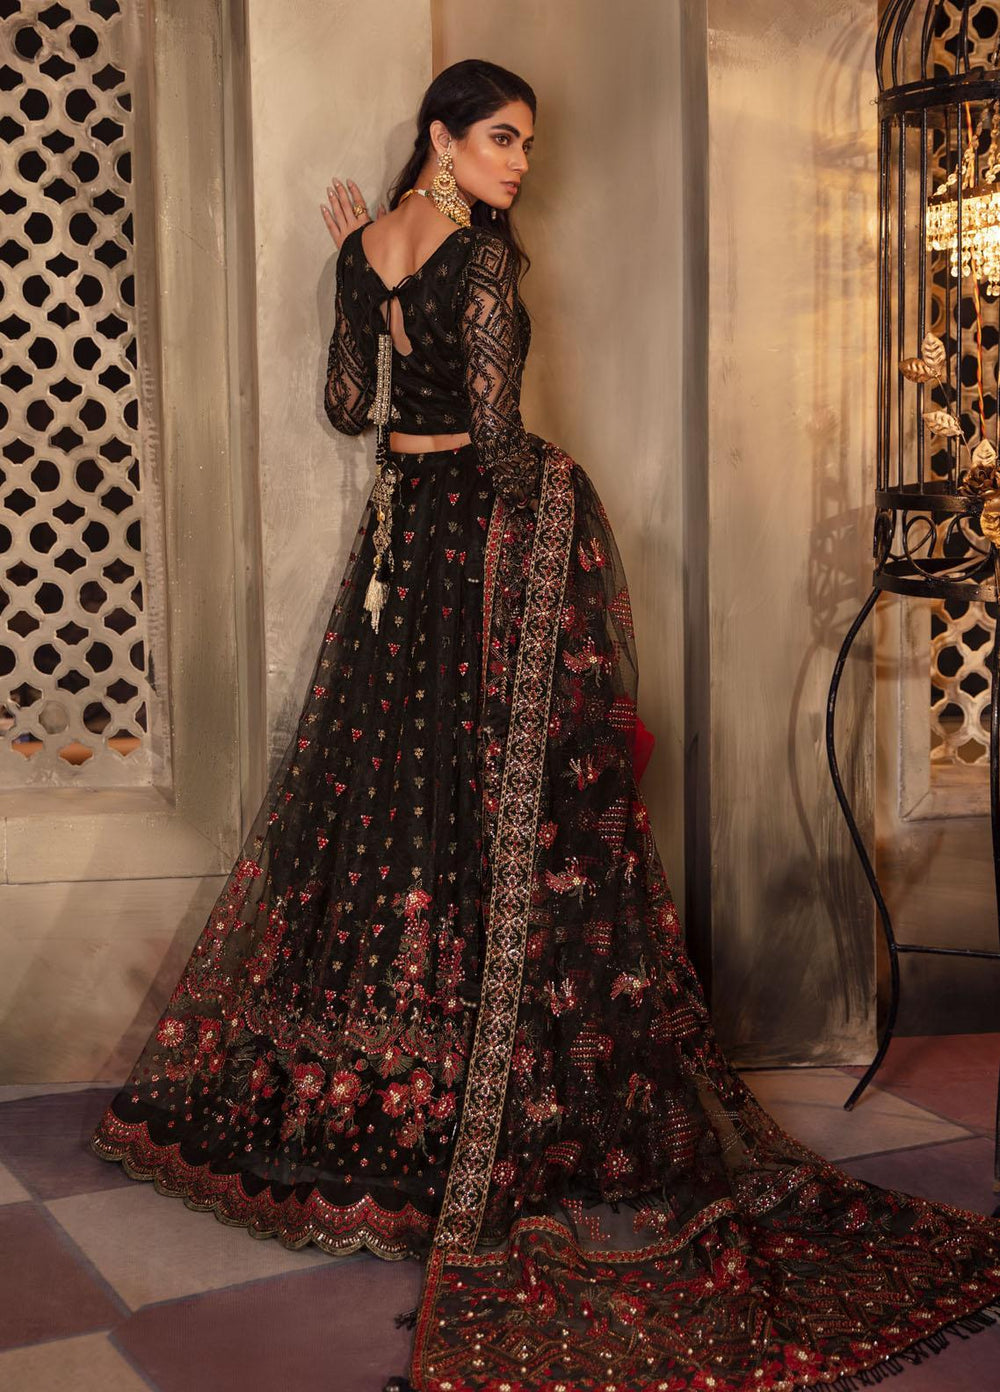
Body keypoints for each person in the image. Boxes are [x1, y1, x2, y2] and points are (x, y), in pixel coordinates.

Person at [92, 58, 1000, 1392]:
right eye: (503, 139)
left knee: (392, 807)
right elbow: (502, 436)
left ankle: (383, 1110)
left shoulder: (366, 248)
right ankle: (483, 1106)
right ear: (444, 138)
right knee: (493, 821)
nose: (520, 164)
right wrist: (568, 494)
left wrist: (369, 291)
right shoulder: (478, 261)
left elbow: (350, 410)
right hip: (478, 545)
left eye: (527, 145)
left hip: (399, 546)